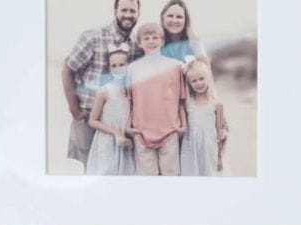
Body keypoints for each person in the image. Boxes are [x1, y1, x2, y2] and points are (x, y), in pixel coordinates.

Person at [60, 0, 140, 169]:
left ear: (138, 14)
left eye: (132, 11)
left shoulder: (136, 45)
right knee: (90, 171)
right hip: (89, 115)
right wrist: (74, 109)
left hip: (118, 120)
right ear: (115, 11)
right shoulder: (93, 37)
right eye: (124, 10)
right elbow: (68, 69)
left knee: (119, 168)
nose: (128, 15)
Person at [126, 20, 189, 176]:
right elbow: (131, 102)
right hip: (141, 131)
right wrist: (129, 126)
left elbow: (181, 100)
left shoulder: (175, 66)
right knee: (146, 177)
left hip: (170, 130)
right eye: (146, 38)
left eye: (155, 38)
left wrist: (183, 125)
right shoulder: (132, 69)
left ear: (162, 41)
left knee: (171, 174)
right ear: (139, 43)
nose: (151, 41)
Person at [85, 48, 135, 176]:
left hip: (124, 141)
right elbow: (92, 121)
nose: (118, 68)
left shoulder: (131, 91)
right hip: (107, 140)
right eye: (114, 66)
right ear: (110, 68)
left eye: (121, 65)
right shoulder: (104, 91)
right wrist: (115, 132)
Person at [178, 55, 228, 176]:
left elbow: (221, 135)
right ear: (189, 84)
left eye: (201, 79)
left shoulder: (217, 104)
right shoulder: (187, 104)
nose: (198, 83)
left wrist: (220, 157)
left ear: (208, 79)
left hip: (209, 148)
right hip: (190, 149)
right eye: (194, 81)